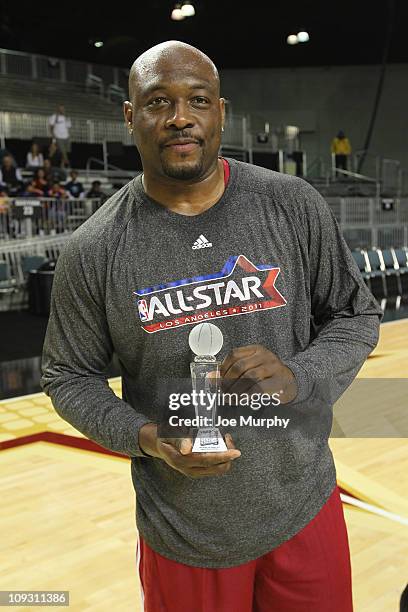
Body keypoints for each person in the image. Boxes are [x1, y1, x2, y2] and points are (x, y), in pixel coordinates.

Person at [41, 41, 382, 612]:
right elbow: (67, 375)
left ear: (220, 112)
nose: (179, 118)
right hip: (185, 529)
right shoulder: (94, 249)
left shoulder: (291, 204)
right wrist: (149, 439)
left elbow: (355, 315)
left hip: (302, 502)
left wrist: (299, 376)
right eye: (157, 102)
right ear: (131, 117)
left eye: (197, 100)